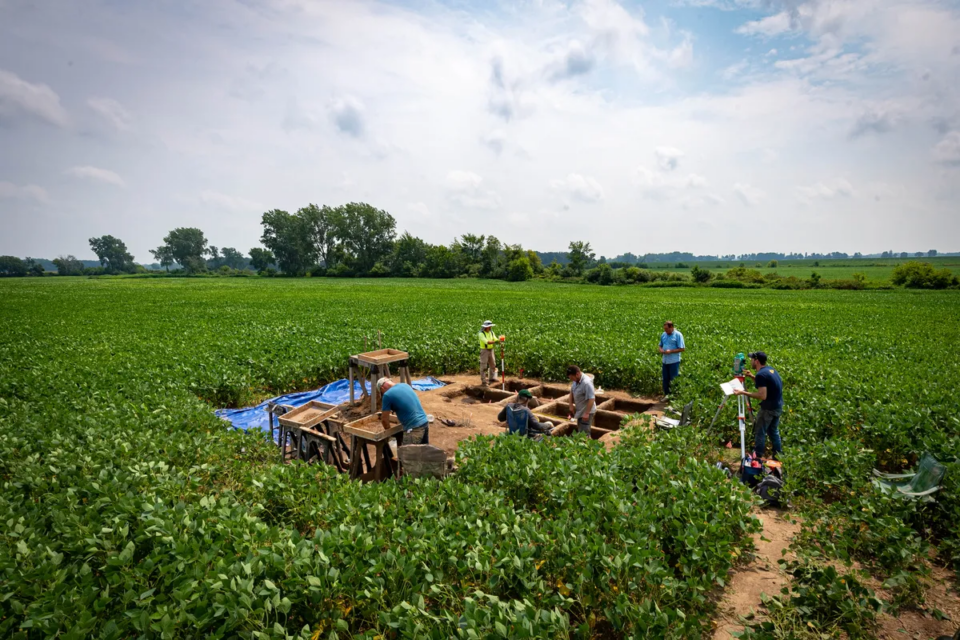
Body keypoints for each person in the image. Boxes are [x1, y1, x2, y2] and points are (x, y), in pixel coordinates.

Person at [734, 351, 783, 458]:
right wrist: (752, 376)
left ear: (756, 361)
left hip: (768, 408)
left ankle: (758, 455)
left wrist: (742, 392)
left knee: (760, 431)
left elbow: (762, 395)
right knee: (773, 431)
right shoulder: (770, 370)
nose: (750, 361)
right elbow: (767, 384)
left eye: (752, 359)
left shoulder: (761, 375)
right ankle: (778, 455)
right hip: (778, 406)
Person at [378, 377, 430, 445]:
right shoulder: (405, 385)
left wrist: (389, 433)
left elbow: (384, 419)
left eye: (381, 392)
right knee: (424, 452)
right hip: (424, 422)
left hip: (413, 428)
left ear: (382, 388)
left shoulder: (387, 395)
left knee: (406, 454)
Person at [566, 365, 596, 435]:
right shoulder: (576, 380)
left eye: (572, 378)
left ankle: (586, 444)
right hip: (580, 411)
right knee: (581, 430)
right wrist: (570, 405)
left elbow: (591, 398)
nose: (572, 380)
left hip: (586, 412)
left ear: (577, 374)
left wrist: (586, 413)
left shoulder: (587, 383)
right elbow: (571, 392)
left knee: (584, 433)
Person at [658, 321, 685, 396]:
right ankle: (666, 395)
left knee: (673, 379)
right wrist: (660, 349)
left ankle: (673, 396)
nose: (665, 331)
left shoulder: (678, 335)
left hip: (674, 361)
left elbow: (682, 348)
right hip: (665, 361)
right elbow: (660, 345)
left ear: (671, 327)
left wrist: (671, 351)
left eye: (667, 329)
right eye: (664, 329)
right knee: (665, 379)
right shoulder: (663, 334)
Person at [478, 320, 499, 386]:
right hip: (484, 351)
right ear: (485, 327)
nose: (490, 328)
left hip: (491, 350)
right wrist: (495, 342)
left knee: (493, 364)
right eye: (489, 326)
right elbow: (487, 341)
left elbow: (495, 339)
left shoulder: (491, 332)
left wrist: (499, 340)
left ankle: (492, 378)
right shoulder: (481, 334)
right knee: (483, 366)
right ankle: (484, 381)